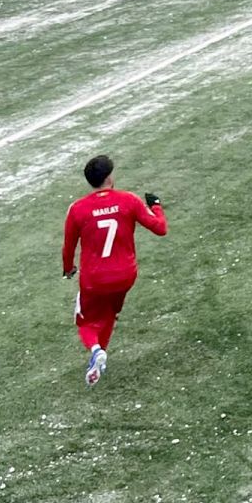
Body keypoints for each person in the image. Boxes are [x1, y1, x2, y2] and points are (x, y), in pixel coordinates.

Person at [62, 155, 168, 387]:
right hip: (125, 275)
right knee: (109, 313)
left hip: (95, 279)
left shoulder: (78, 208)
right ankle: (99, 358)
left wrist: (68, 269)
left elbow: (69, 246)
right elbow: (160, 229)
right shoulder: (128, 200)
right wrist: (157, 206)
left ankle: (96, 349)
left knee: (85, 322)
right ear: (109, 177)